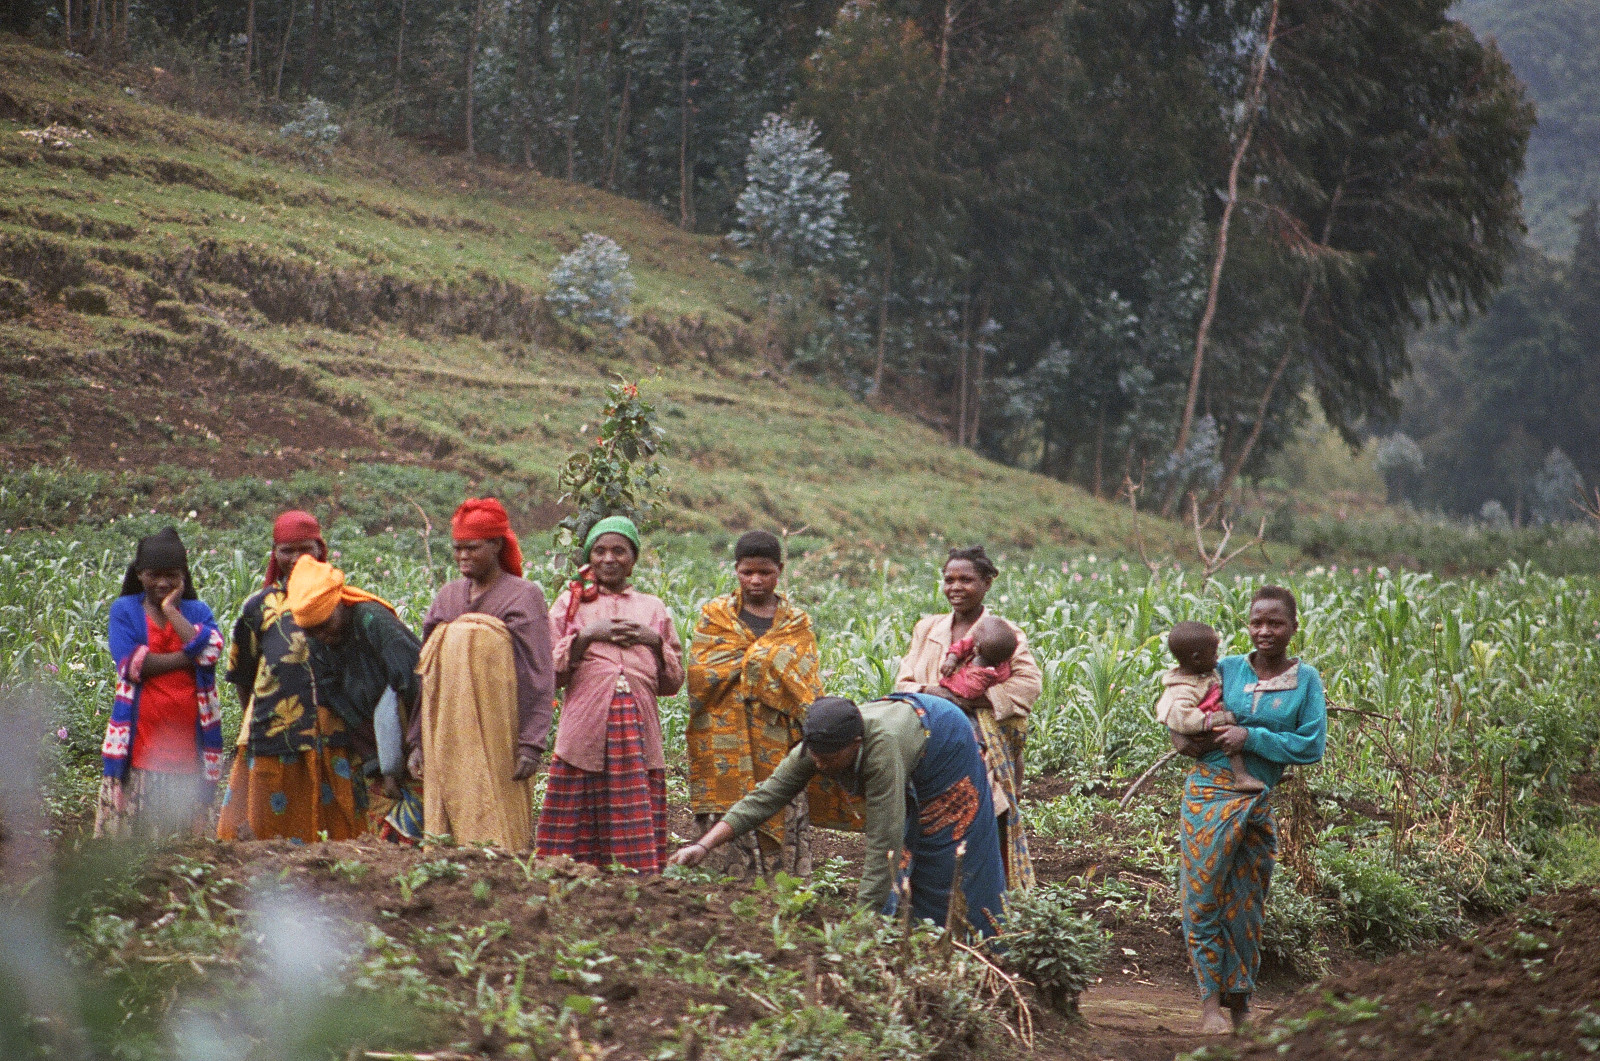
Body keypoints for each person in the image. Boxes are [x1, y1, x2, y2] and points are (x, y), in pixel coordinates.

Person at [671, 694, 1009, 938]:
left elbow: (884, 840)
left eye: (828, 760)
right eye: (813, 757)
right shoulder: (819, 745)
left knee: (946, 854)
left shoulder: (881, 753)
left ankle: (975, 945)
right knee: (907, 854)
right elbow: (765, 797)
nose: (819, 766)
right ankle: (903, 935)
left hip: (945, 740)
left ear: (856, 744)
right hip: (907, 728)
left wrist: (861, 922)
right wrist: (703, 846)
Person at [1172, 585, 1326, 1035]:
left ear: (1294, 627)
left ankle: (1240, 1003)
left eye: (1275, 623)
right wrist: (1188, 734)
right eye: (1257, 621)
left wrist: (1252, 738)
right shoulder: (1225, 669)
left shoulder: (1306, 681)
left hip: (1256, 797)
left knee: (1247, 902)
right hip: (1207, 793)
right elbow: (1182, 708)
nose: (1264, 631)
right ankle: (1208, 1006)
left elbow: (1311, 746)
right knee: (1201, 896)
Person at [536, 516, 684, 873]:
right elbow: (550, 672)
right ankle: (567, 874)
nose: (609, 558)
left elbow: (673, 682)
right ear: (588, 557)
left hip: (636, 727)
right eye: (599, 550)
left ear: (633, 559)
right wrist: (587, 636)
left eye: (619, 551)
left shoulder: (653, 607)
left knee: (632, 801)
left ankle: (635, 879)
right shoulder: (569, 604)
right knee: (577, 794)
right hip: (585, 724)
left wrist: (653, 640)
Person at [219, 511, 377, 842]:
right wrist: (254, 721)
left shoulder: (339, 599)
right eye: (286, 550)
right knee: (266, 830)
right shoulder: (259, 607)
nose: (295, 559)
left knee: (341, 831)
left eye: (305, 549)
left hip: (334, 728)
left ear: (321, 550)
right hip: (274, 730)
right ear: (274, 554)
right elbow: (243, 673)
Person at [408, 498, 555, 850]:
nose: (463, 557)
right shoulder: (447, 598)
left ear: (497, 545)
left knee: (497, 818)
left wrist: (531, 742)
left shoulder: (523, 597)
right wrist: (416, 740)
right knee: (447, 821)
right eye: (457, 549)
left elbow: (538, 672)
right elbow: (425, 674)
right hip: (445, 730)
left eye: (472, 548)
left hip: (497, 731)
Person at [894, 545, 1042, 891]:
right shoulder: (927, 628)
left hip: (983, 739)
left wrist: (974, 698)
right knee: (931, 814)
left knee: (986, 811)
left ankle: (989, 892)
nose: (956, 587)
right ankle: (933, 892)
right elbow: (904, 681)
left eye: (967, 579)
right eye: (949, 579)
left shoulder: (1003, 633)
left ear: (987, 583)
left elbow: (1029, 684)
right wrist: (941, 696)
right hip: (933, 736)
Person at [685, 530, 825, 877]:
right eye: (747, 572)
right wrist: (760, 663)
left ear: (780, 569)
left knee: (778, 798)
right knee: (730, 806)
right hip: (723, 737)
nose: (756, 580)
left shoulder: (795, 623)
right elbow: (701, 675)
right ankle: (723, 884)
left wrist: (756, 666)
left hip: (778, 738)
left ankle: (782, 887)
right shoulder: (715, 616)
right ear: (735, 570)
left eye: (765, 572)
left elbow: (804, 684)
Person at [284, 554, 423, 842]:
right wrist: (381, 765)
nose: (321, 636)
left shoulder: (372, 620)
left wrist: (414, 745)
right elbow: (342, 706)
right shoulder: (316, 646)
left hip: (415, 726)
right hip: (374, 738)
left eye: (325, 625)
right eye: (312, 631)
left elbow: (414, 680)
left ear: (339, 604)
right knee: (384, 824)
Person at [97, 527, 224, 838]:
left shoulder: (196, 611)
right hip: (141, 741)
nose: (163, 583)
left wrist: (170, 610)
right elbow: (132, 665)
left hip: (188, 743)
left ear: (183, 575)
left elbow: (212, 653)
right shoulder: (124, 611)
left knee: (184, 847)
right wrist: (191, 653)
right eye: (154, 575)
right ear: (140, 574)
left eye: (172, 575)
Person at [1156, 621, 1263, 793]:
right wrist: (1221, 718)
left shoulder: (1203, 672)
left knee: (1243, 730)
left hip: (1209, 721)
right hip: (1201, 729)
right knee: (1231, 737)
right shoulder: (1181, 688)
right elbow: (1181, 717)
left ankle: (1260, 772)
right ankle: (1242, 776)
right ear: (1197, 658)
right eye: (1213, 654)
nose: (1217, 659)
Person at [938, 615, 1018, 702]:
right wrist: (951, 659)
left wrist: (946, 683)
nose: (971, 638)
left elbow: (967, 691)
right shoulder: (991, 647)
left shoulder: (984, 675)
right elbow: (962, 645)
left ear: (977, 648)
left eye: (974, 635)